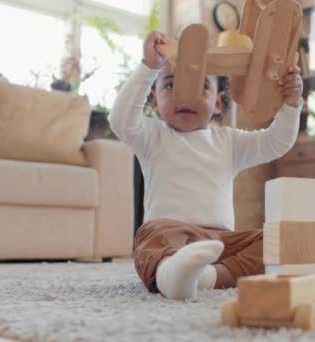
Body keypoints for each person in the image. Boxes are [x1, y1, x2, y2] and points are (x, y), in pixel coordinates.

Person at [108, 31, 304, 300]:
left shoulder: (228, 141)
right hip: (169, 235)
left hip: (220, 243)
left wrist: (291, 105)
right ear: (153, 101)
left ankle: (207, 277)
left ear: (218, 102)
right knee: (150, 239)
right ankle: (171, 273)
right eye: (170, 86)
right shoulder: (152, 137)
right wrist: (149, 67)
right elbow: (120, 120)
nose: (185, 96)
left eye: (202, 87)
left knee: (278, 242)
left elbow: (276, 142)